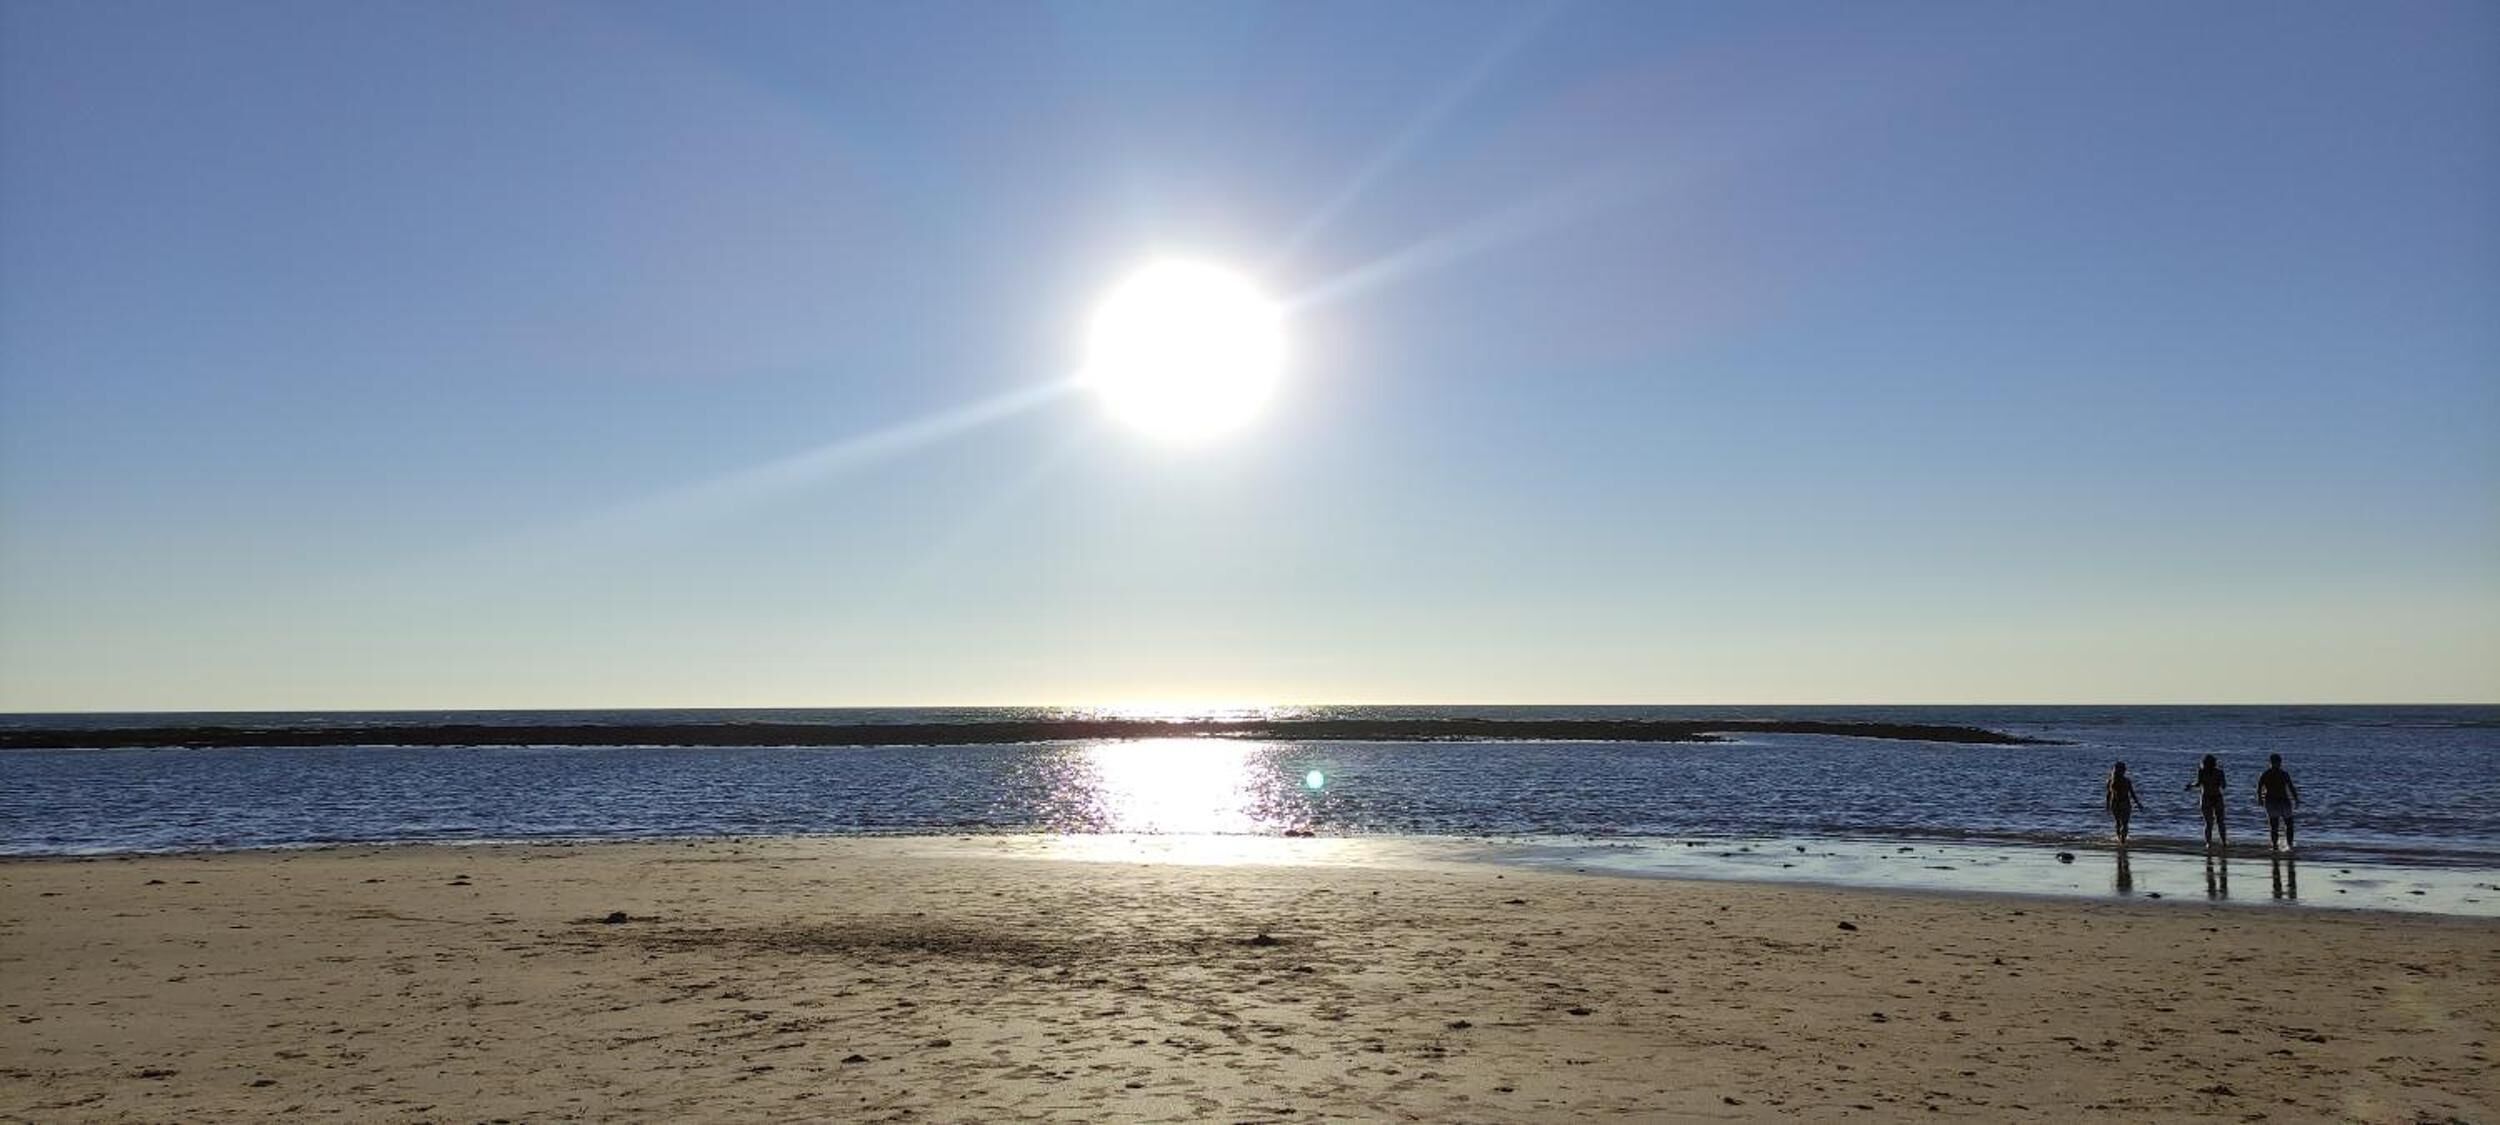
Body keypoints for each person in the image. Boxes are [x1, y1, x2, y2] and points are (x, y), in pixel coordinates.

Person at [2256, 753, 2301, 852]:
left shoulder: (2267, 773)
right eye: (2278, 762)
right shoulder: (2281, 774)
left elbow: (2259, 788)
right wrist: (2296, 799)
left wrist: (2259, 798)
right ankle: (2282, 846)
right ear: (2279, 762)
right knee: (2281, 825)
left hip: (2275, 801)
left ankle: (2284, 846)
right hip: (2278, 801)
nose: (2278, 764)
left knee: (2282, 825)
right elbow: (2291, 787)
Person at [2185, 754, 2228, 849]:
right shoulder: (2219, 772)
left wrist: (2190, 786)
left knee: (2209, 823)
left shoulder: (2202, 771)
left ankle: (2209, 843)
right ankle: (2223, 842)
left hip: (2207, 797)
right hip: (2216, 797)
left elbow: (2198, 784)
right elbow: (2224, 786)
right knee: (2219, 822)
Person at [2104, 761, 2145, 842]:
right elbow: (2132, 793)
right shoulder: (2126, 781)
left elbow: (2108, 795)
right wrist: (2138, 803)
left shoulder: (2110, 781)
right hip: (2125, 803)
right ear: (2123, 771)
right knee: (2125, 824)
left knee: (2118, 823)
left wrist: (2107, 806)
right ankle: (2123, 840)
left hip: (2114, 804)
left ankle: (2120, 839)